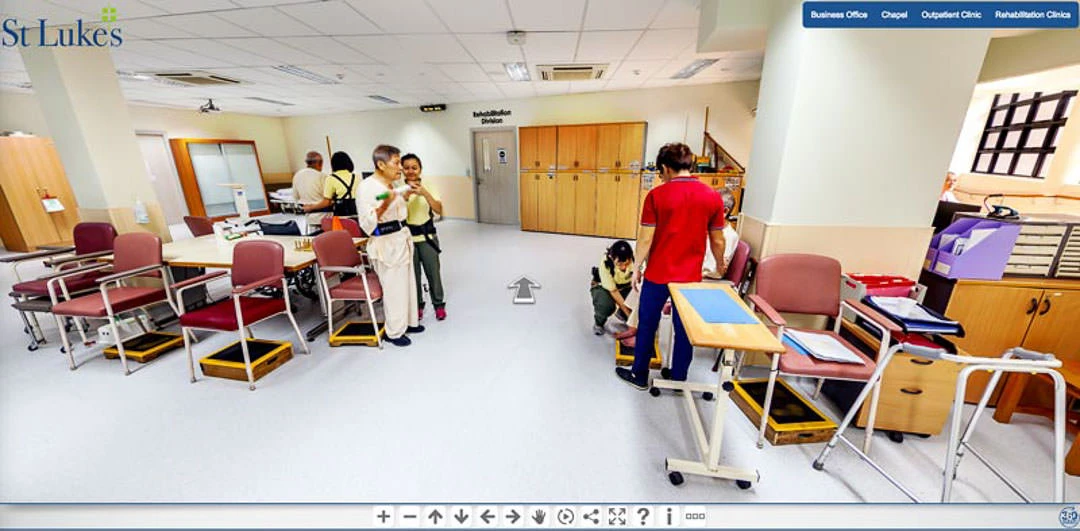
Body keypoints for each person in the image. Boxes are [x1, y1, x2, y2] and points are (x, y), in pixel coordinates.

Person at [616, 143, 727, 390]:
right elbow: (718, 239)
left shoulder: (657, 196)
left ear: (666, 168)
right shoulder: (712, 196)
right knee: (684, 328)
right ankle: (678, 378)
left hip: (658, 274)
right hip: (689, 277)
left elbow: (645, 238)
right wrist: (720, 264)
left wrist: (636, 269)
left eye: (661, 172)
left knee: (647, 323)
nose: (661, 177)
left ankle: (640, 375)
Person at [357, 145, 424, 347]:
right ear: (380, 164)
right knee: (394, 288)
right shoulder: (367, 187)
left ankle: (410, 322)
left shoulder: (390, 185)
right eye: (396, 163)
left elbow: (398, 209)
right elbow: (367, 222)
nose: (400, 168)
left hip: (400, 237)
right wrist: (385, 204)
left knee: (408, 283)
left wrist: (404, 196)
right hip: (385, 242)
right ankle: (394, 332)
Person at [402, 153, 447, 322]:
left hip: (427, 237)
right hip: (408, 239)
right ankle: (418, 306)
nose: (411, 171)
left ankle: (439, 305)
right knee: (413, 276)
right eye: (406, 168)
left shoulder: (428, 185)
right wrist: (403, 198)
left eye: (414, 167)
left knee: (433, 273)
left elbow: (439, 209)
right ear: (402, 169)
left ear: (420, 169)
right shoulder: (398, 187)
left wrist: (425, 194)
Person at [590, 240, 634, 335]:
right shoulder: (605, 263)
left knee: (637, 302)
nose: (623, 267)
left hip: (625, 286)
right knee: (606, 305)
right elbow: (613, 290)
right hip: (605, 288)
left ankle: (622, 313)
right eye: (619, 264)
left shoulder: (635, 260)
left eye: (626, 264)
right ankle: (599, 323)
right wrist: (628, 313)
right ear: (612, 257)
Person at [303, 151, 359, 219]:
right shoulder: (357, 177)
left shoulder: (331, 178)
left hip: (342, 216)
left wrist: (311, 207)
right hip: (358, 213)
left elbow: (326, 202)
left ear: (333, 164)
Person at [702, 186, 740, 279]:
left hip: (708, 280)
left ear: (725, 211)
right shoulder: (709, 229)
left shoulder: (729, 236)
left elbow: (714, 271)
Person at [291, 150, 328, 232]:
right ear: (320, 163)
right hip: (325, 217)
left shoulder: (297, 175)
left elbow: (296, 197)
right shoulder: (322, 176)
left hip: (309, 218)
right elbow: (329, 199)